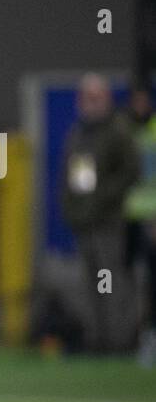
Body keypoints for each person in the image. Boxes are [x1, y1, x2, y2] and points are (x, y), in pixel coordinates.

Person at [62, 74, 140, 354]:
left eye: (96, 97)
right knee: (90, 283)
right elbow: (74, 180)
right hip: (85, 222)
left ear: (106, 99)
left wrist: (104, 198)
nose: (90, 103)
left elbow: (131, 171)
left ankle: (118, 341)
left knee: (111, 282)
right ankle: (95, 339)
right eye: (86, 97)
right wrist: (73, 210)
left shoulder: (117, 130)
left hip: (108, 222)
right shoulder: (80, 132)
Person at [120, 78, 156, 365]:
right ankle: (135, 337)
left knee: (150, 281)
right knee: (130, 279)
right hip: (127, 216)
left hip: (151, 216)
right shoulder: (125, 130)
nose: (139, 105)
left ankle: (149, 337)